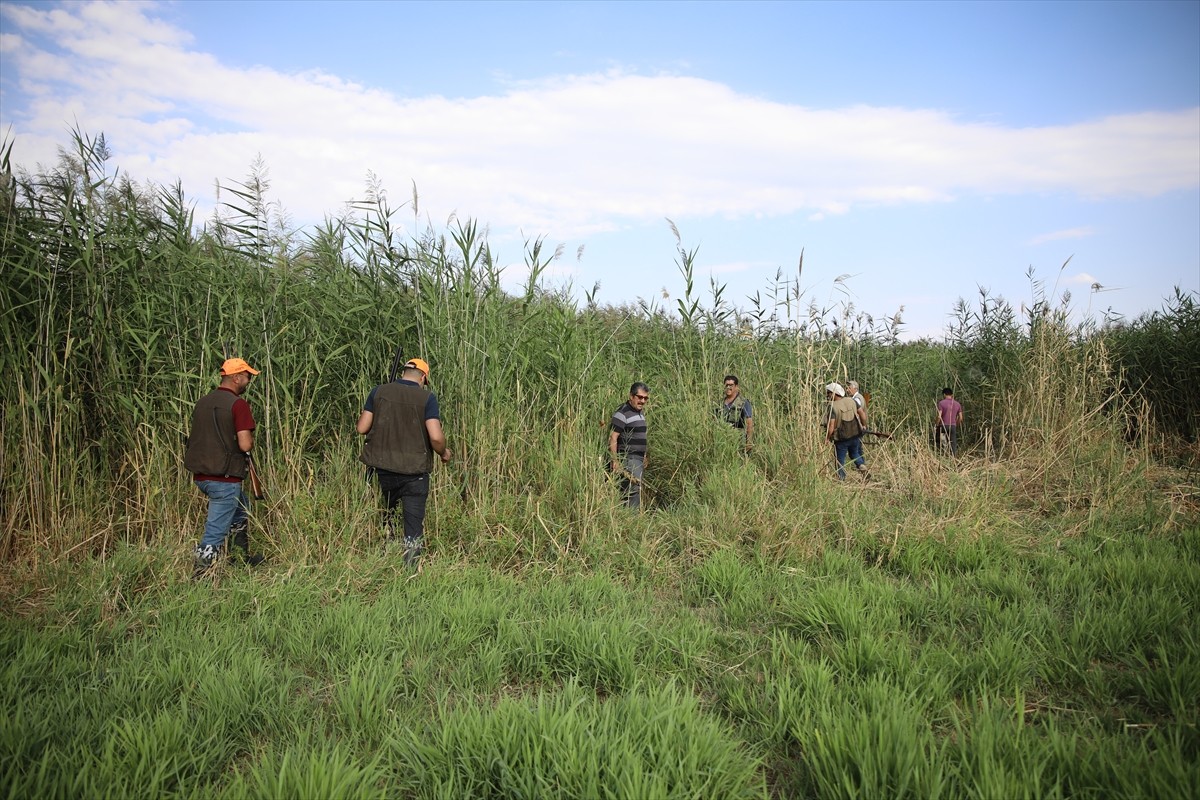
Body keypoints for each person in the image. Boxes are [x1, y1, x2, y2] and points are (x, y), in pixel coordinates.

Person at [357, 358, 451, 570]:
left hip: (381, 469)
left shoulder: (378, 391)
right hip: (414, 471)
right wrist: (444, 452)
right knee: (413, 524)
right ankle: (410, 567)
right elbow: (435, 437)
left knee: (385, 516)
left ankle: (381, 560)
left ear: (403, 373)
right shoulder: (427, 398)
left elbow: (362, 428)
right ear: (423, 378)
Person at [183, 357, 265, 577]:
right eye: (247, 376)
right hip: (224, 478)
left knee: (241, 508)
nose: (248, 381)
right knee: (215, 529)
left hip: (202, 475)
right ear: (236, 377)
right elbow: (245, 444)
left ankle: (240, 558)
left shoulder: (203, 402)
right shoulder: (238, 405)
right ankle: (201, 574)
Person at [609, 382, 649, 508]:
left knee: (634, 490)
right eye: (639, 397)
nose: (642, 401)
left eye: (645, 398)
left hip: (637, 459)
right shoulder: (622, 413)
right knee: (632, 491)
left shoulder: (639, 413)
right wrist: (615, 459)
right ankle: (632, 520)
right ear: (631, 396)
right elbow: (613, 437)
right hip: (628, 458)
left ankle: (630, 520)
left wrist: (644, 455)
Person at [825, 382, 869, 480]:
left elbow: (831, 426)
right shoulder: (852, 401)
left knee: (839, 459)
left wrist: (827, 438)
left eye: (828, 393)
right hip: (855, 434)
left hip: (842, 438)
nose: (827, 395)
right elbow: (862, 414)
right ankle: (861, 465)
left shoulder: (833, 406)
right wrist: (864, 425)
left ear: (834, 393)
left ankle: (841, 479)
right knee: (854, 453)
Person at [715, 375, 754, 451]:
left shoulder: (743, 403)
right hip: (722, 442)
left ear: (736, 386)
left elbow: (749, 423)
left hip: (738, 442)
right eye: (727, 385)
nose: (728, 387)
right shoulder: (719, 403)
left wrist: (749, 442)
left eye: (731, 385)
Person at [935, 387, 963, 455]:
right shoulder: (957, 404)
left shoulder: (941, 403)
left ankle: (940, 453)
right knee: (953, 442)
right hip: (952, 426)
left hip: (943, 426)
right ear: (952, 394)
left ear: (944, 394)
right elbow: (961, 417)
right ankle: (953, 458)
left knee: (938, 439)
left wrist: (937, 424)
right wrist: (956, 424)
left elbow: (939, 416)